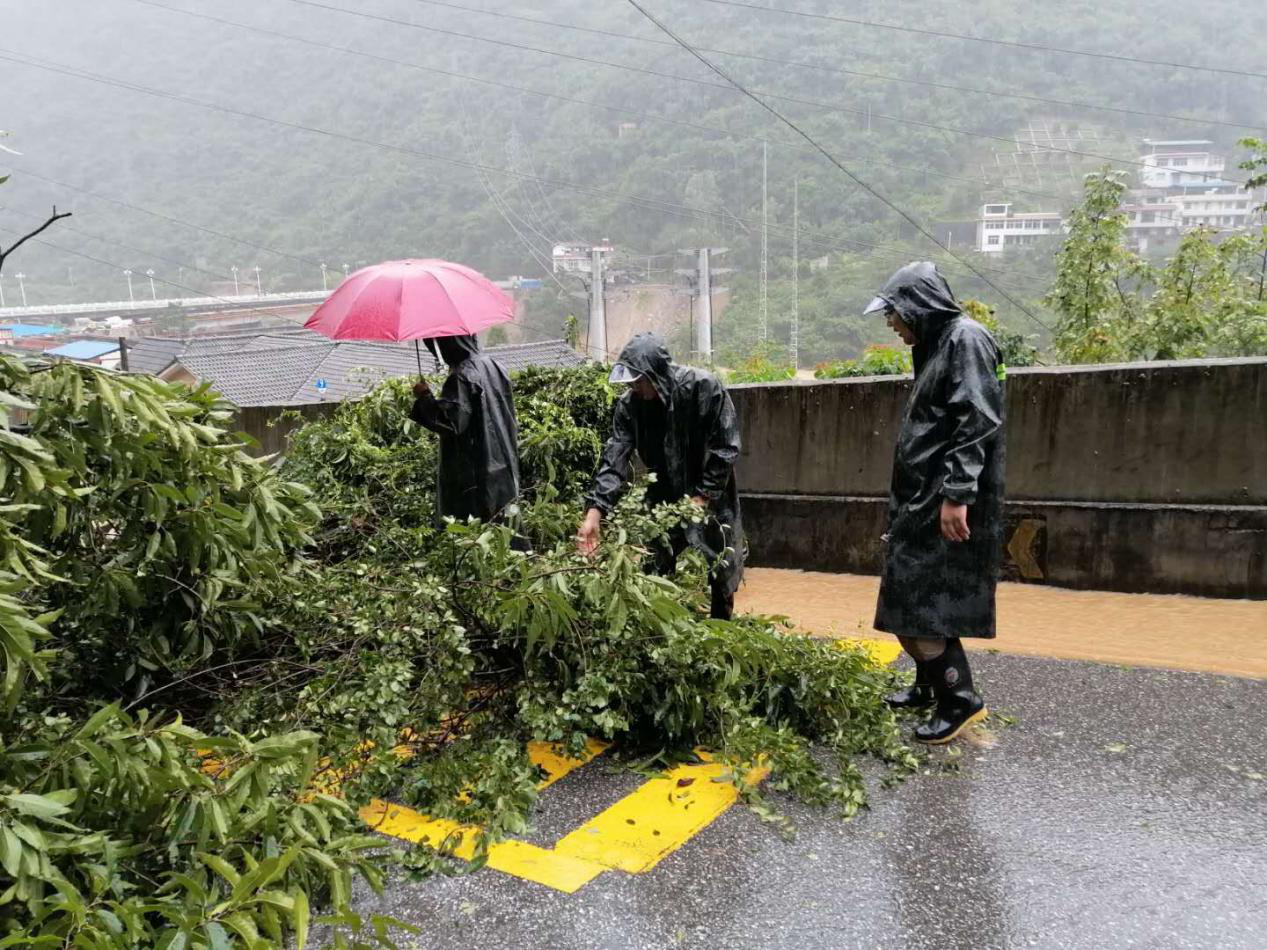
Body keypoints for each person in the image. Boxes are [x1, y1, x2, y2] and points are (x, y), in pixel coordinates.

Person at [865, 261, 1006, 744]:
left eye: (894, 315)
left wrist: (957, 494)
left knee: (924, 604)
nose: (891, 325)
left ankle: (960, 699)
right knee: (910, 598)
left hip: (943, 499)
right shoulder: (936, 344)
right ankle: (927, 685)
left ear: (917, 307)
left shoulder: (965, 340)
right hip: (921, 497)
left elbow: (977, 419)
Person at [575, 332, 744, 619]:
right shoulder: (630, 407)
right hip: (664, 498)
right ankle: (664, 627)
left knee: (720, 566)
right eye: (631, 382)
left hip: (713, 496)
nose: (635, 388)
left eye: (640, 381)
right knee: (657, 563)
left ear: (658, 374)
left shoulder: (704, 388)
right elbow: (615, 458)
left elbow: (726, 447)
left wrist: (702, 496)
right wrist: (594, 512)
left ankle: (722, 629)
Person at [410, 333, 520, 525]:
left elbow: (452, 423)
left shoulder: (461, 376)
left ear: (449, 343)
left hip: (474, 472)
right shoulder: (496, 366)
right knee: (504, 526)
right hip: (503, 463)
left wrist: (425, 397)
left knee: (472, 527)